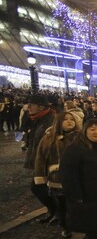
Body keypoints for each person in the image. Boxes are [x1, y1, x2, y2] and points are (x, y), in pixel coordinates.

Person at [33, 111, 81, 238]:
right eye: (66, 119)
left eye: (72, 119)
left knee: (76, 203)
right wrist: (40, 176)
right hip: (56, 179)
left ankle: (77, 223)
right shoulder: (49, 138)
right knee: (62, 204)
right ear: (59, 122)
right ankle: (65, 226)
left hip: (76, 177)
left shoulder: (80, 137)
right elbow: (41, 158)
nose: (70, 121)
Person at [23, 94, 56, 224]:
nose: (28, 107)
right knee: (44, 187)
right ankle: (54, 211)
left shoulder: (51, 120)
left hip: (48, 161)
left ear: (41, 107)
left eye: (32, 105)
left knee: (38, 187)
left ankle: (57, 211)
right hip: (40, 160)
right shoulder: (37, 119)